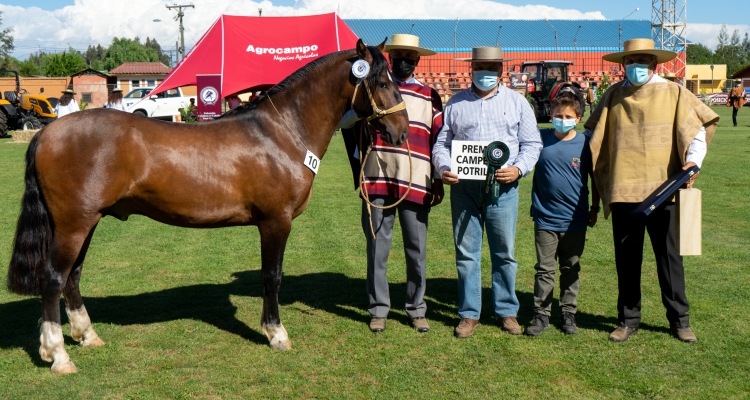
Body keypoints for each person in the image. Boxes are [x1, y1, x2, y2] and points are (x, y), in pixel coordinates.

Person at [585, 38, 720, 343]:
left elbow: (696, 129)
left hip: (666, 191)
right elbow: (594, 133)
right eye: (631, 62)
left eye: (643, 61)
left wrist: (692, 162)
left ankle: (680, 320)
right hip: (624, 191)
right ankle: (628, 319)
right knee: (627, 259)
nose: (636, 67)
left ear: (655, 64)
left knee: (670, 258)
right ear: (623, 65)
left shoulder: (674, 92)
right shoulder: (613, 94)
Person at [432, 46, 542, 338]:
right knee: (466, 253)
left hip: (504, 189)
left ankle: (507, 311)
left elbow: (533, 144)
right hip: (464, 189)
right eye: (480, 67)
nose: (485, 73)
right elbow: (442, 144)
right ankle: (469, 313)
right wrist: (443, 168)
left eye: (491, 68)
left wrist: (518, 169)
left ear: (501, 70)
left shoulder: (519, 103)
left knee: (504, 252)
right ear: (471, 69)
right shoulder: (455, 103)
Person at [340, 34, 444, 334]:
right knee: (377, 248)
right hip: (376, 179)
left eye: (409, 58)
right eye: (398, 55)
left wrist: (437, 179)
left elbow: (440, 139)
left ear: (418, 61)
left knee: (417, 249)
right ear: (390, 57)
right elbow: (345, 121)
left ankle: (416, 308)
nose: (404, 62)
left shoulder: (429, 95)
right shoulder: (372, 90)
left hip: (416, 179)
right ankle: (378, 309)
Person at [525, 90, 600, 337]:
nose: (562, 119)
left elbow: (596, 180)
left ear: (577, 118)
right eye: (558, 115)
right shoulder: (539, 138)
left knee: (571, 268)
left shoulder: (586, 144)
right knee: (544, 270)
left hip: (576, 219)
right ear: (551, 115)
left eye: (568, 116)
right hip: (545, 217)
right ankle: (541, 315)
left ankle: (568, 313)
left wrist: (594, 208)